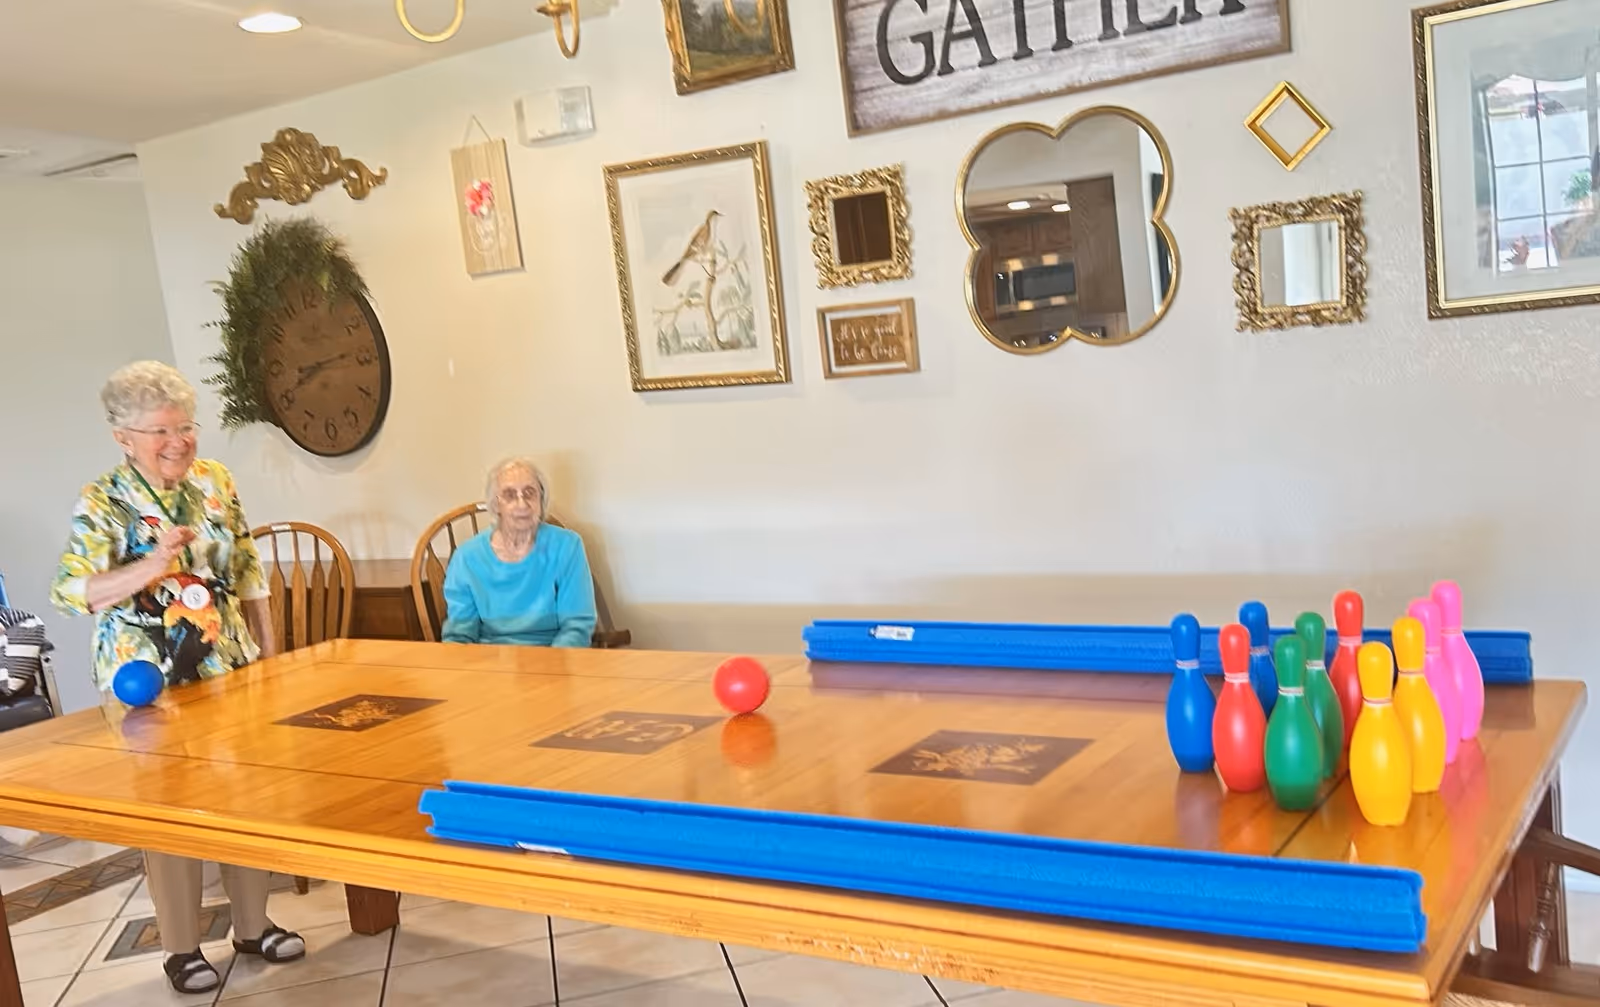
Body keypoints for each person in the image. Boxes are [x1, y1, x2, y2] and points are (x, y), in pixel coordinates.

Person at [50, 361, 305, 994]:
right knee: (167, 813)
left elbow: (247, 570)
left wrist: (272, 660)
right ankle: (182, 948)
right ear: (124, 436)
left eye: (186, 427)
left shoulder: (216, 481)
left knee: (244, 799)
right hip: (145, 677)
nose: (178, 442)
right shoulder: (102, 499)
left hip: (228, 664)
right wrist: (151, 566)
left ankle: (253, 924)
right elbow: (72, 591)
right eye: (161, 430)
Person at [442, 458, 597, 647]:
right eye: (509, 495)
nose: (522, 504)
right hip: (491, 663)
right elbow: (459, 634)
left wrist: (551, 669)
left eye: (529, 493)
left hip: (554, 659)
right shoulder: (467, 558)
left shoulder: (567, 546)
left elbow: (576, 626)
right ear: (496, 504)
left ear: (541, 499)